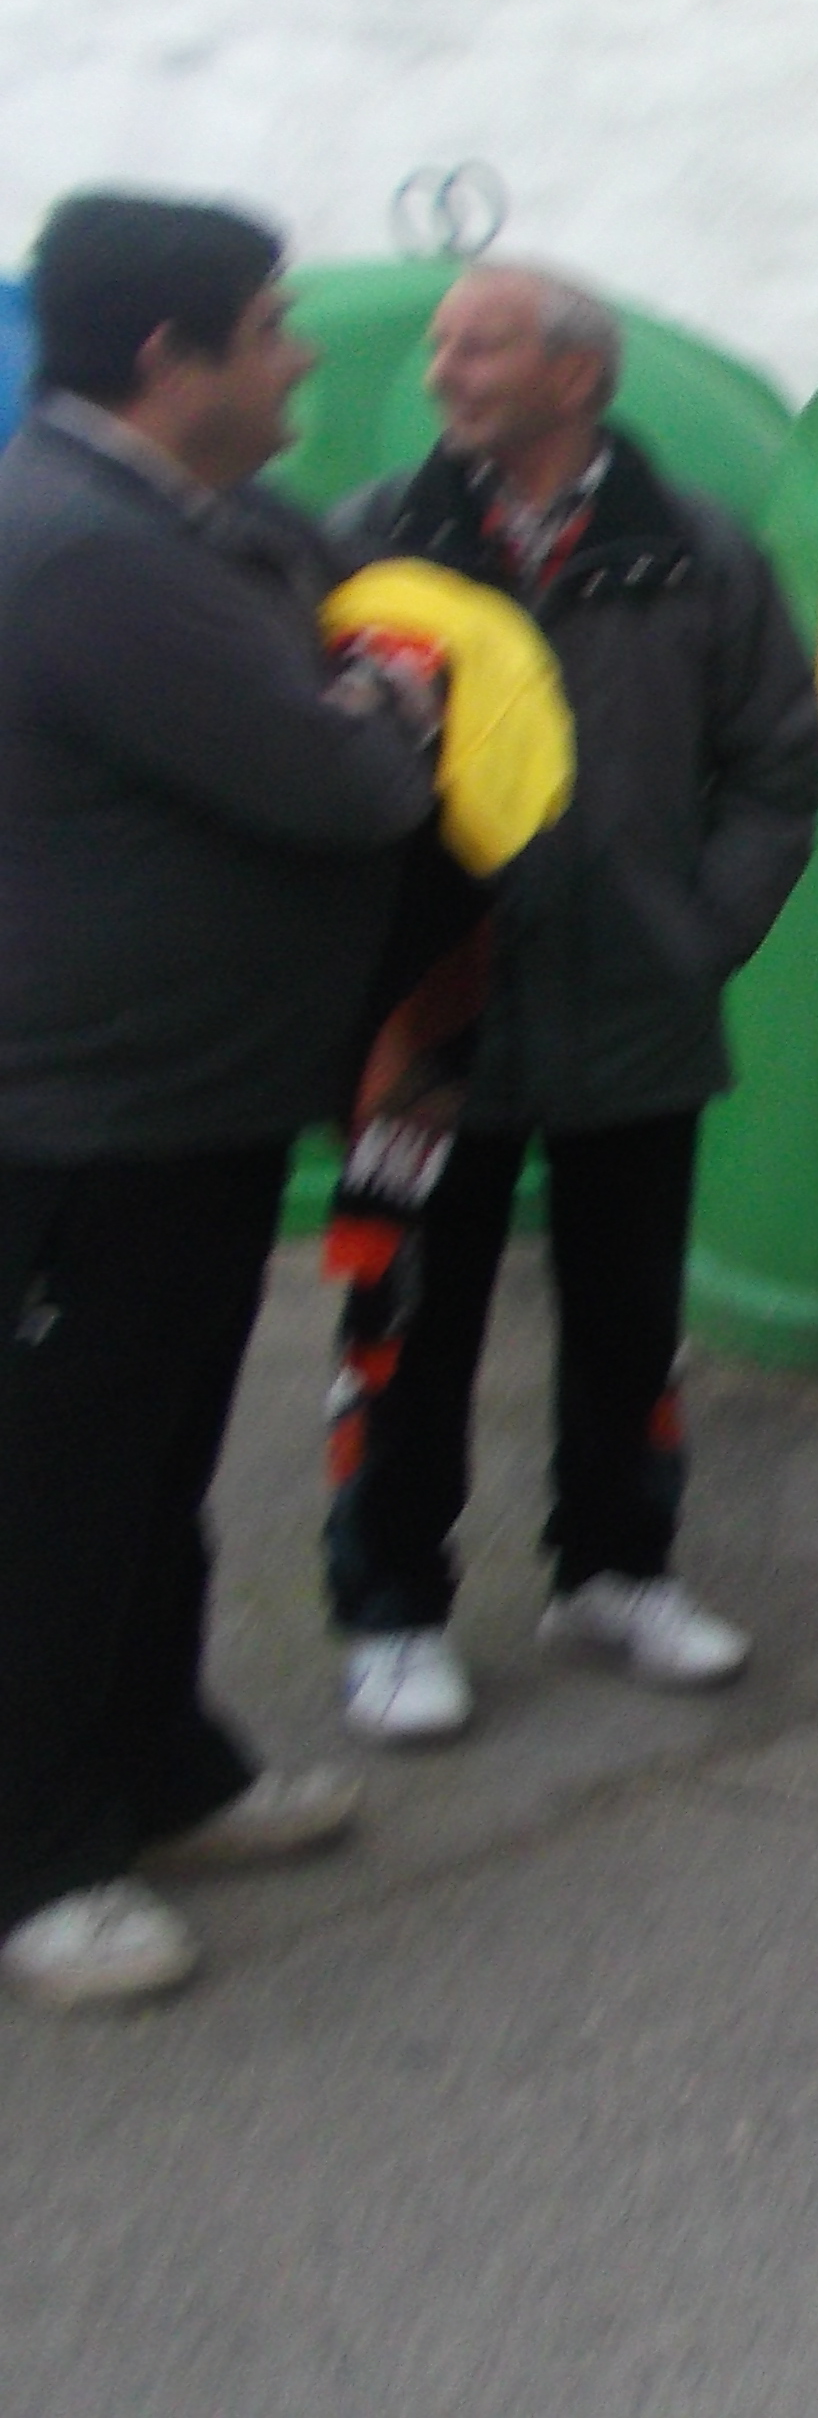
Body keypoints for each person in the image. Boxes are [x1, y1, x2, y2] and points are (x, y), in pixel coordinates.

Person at [0, 192, 442, 2011]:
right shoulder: (79, 552)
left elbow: (346, 631)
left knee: (156, 1466)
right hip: (83, 1120)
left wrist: (360, 686)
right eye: (269, 329)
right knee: (58, 1487)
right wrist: (389, 708)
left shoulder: (203, 525)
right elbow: (341, 777)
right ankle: (36, 1855)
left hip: (195, 1103)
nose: (303, 354)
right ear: (166, 360)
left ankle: (163, 1768)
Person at [322, 265, 818, 1744]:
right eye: (440, 346)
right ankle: (394, 1610)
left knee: (626, 1318)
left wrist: (701, 933)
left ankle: (616, 1573)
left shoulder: (698, 552)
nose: (445, 371)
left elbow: (777, 764)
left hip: (636, 1007)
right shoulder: (374, 541)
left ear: (577, 378)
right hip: (431, 1022)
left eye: (479, 348)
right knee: (406, 1324)